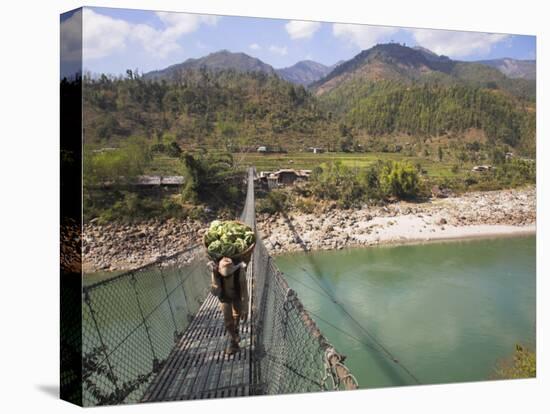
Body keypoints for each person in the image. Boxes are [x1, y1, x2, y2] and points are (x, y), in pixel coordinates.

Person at [208, 257, 249, 355]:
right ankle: (234, 340)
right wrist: (215, 278)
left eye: (229, 275)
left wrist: (245, 308)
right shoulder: (216, 272)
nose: (227, 277)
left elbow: (244, 290)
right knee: (228, 322)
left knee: (237, 316)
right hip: (224, 296)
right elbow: (215, 292)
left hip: (237, 294)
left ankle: (235, 338)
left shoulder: (239, 271)